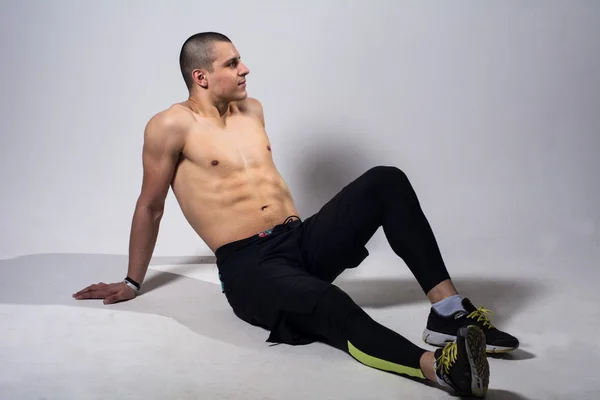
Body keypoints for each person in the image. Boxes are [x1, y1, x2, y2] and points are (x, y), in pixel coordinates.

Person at [73, 32, 519, 398]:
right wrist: (133, 282)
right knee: (333, 305)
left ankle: (447, 311)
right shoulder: (170, 125)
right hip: (250, 268)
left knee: (387, 180)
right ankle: (441, 370)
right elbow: (150, 205)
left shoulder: (252, 110)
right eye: (233, 63)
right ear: (201, 76)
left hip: (300, 241)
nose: (245, 69)